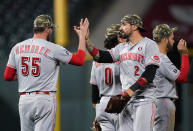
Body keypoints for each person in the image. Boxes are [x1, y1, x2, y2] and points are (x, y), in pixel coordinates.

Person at [4, 14, 89, 131]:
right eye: (51, 29)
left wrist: (27, 75)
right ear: (47, 29)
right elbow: (79, 60)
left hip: (24, 100)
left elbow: (8, 76)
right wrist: (82, 36)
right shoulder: (53, 48)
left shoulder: (17, 47)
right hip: (44, 100)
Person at [86, 13, 160, 131]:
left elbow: (150, 72)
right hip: (125, 102)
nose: (120, 28)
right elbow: (100, 57)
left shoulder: (149, 44)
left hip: (144, 100)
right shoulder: (122, 47)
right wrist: (86, 41)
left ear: (134, 26)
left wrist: (131, 90)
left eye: (124, 24)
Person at [152, 24, 190, 131]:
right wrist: (184, 53)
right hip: (163, 102)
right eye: (172, 38)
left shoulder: (151, 56)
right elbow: (183, 78)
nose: (173, 41)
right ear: (164, 39)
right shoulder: (161, 58)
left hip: (153, 102)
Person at [90, 24, 126, 131]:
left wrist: (97, 114)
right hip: (120, 103)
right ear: (118, 38)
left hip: (103, 104)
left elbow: (94, 90)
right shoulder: (124, 58)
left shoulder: (97, 60)